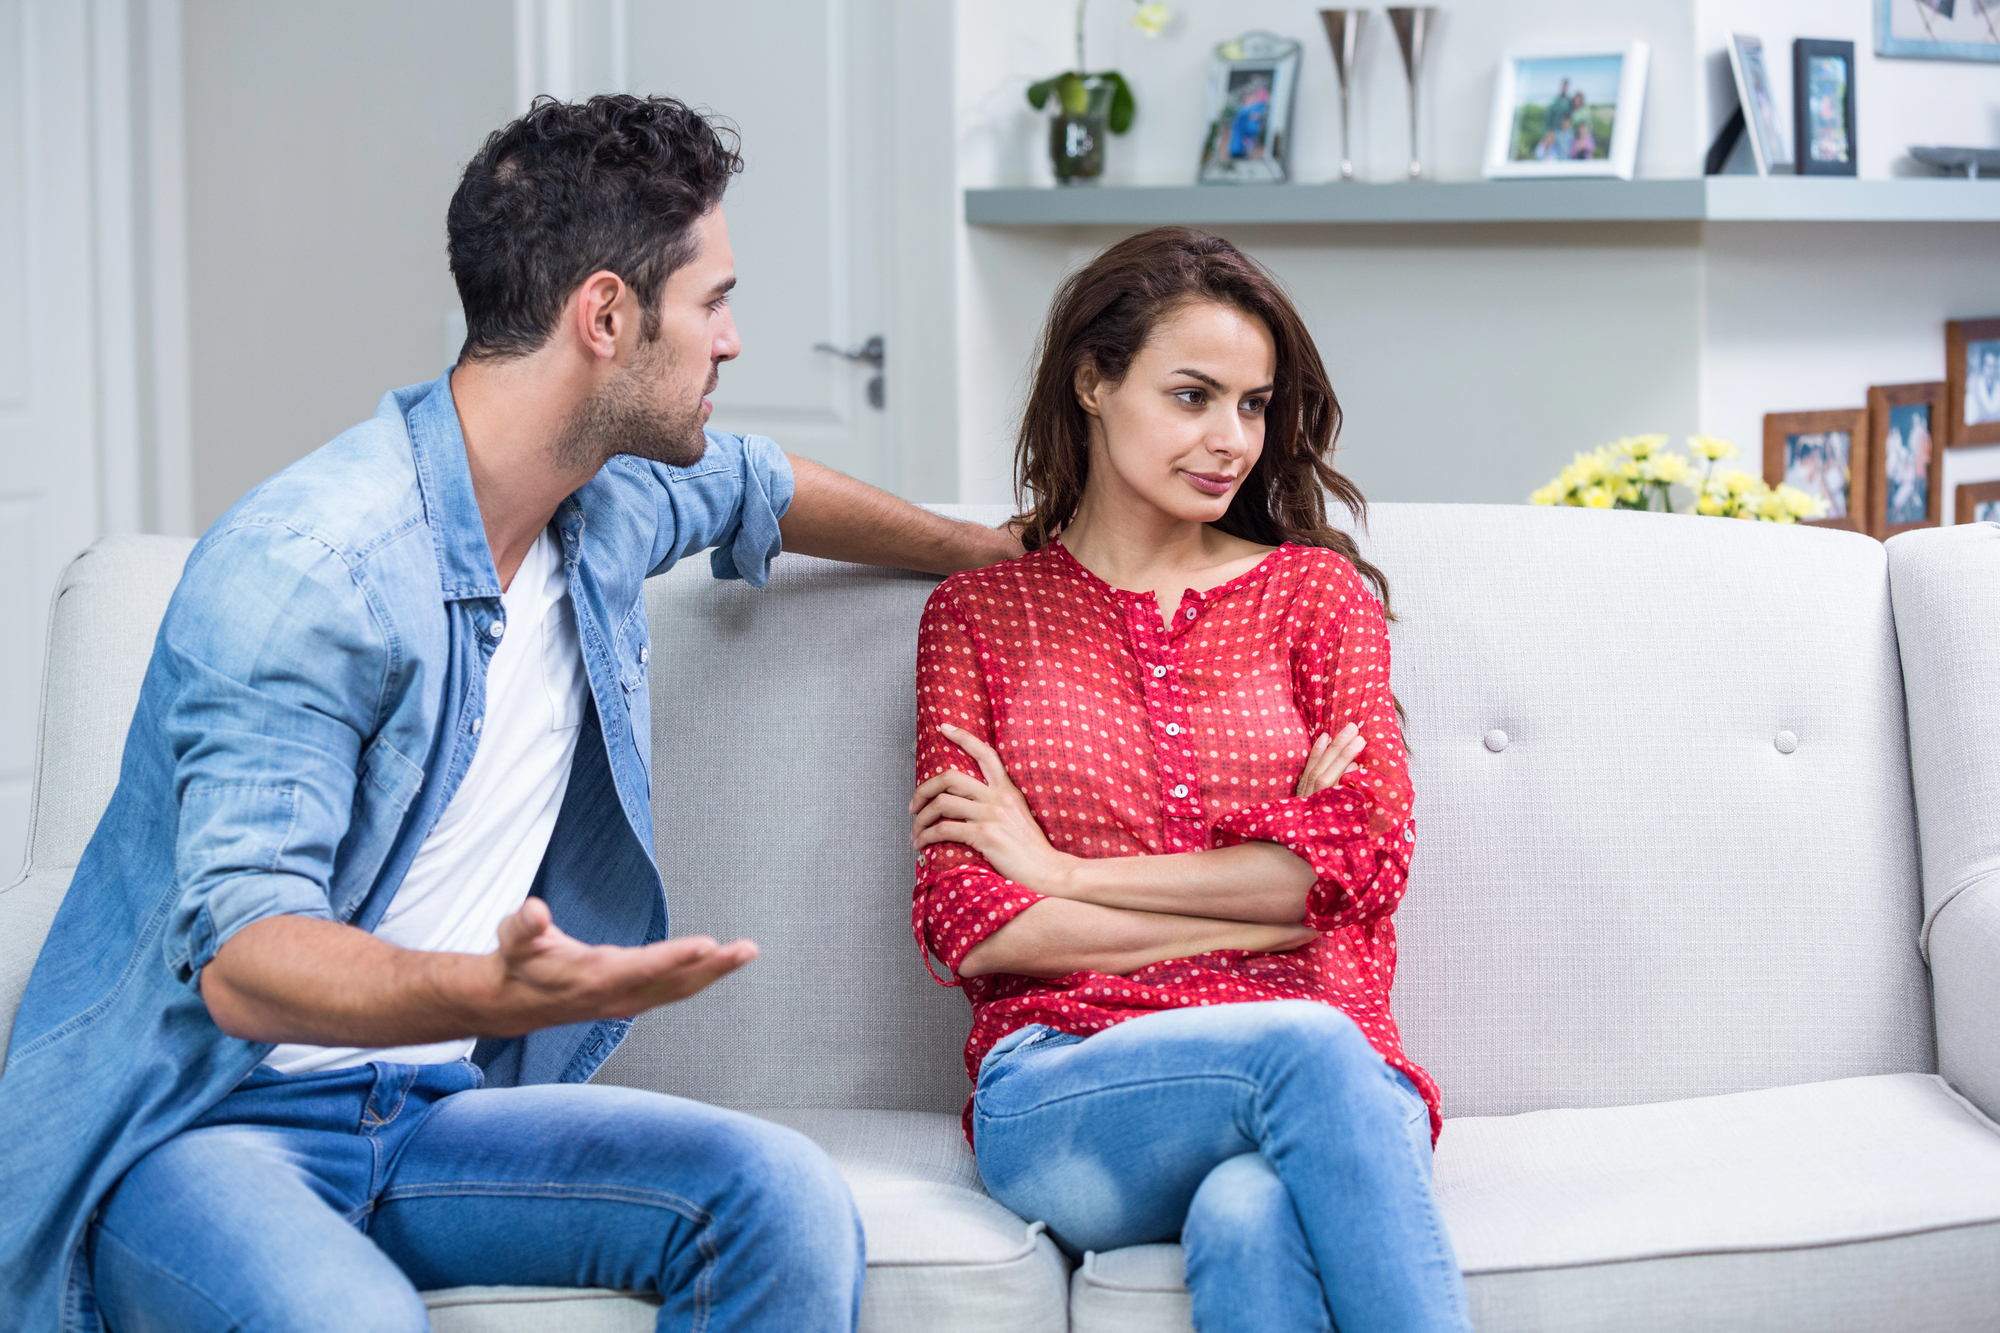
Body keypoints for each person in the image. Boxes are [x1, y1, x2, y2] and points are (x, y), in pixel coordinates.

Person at [0, 94, 1021, 1333]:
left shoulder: (606, 499)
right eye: (712, 301)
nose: (735, 340)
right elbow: (245, 961)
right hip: (206, 1129)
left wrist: (987, 551)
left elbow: (764, 485)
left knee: (778, 1198)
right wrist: (483, 991)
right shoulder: (310, 571)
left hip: (426, 1111)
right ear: (605, 316)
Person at [908, 227, 1471, 1332]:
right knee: (1305, 1049)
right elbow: (970, 923)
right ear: (1092, 381)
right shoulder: (977, 618)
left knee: (1252, 1217)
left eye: (1254, 406)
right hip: (1073, 1087)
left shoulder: (1318, 598)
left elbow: (1361, 865)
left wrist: (1063, 872)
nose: (1230, 441)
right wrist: (1270, 906)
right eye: (1192, 396)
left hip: (1331, 1090)